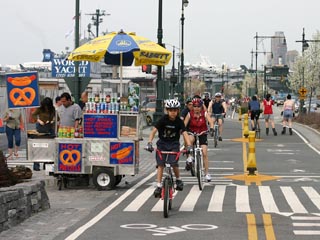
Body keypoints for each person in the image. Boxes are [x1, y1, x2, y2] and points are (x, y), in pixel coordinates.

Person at [146, 99, 192, 198]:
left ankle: (178, 179)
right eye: (171, 110)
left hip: (174, 144)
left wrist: (189, 146)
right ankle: (158, 186)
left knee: (174, 163)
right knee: (160, 165)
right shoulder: (163, 119)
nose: (173, 112)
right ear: (167, 110)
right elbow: (154, 131)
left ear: (178, 111)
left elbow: (184, 133)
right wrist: (149, 143)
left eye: (175, 110)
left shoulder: (179, 121)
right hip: (162, 144)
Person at [184, 98, 214, 181]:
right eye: (194, 106)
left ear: (201, 107)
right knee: (189, 140)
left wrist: (211, 128)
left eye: (198, 106)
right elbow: (184, 125)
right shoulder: (190, 114)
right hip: (192, 132)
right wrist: (182, 130)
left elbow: (211, 122)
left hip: (202, 133)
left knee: (204, 153)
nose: (196, 108)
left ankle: (207, 173)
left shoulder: (204, 113)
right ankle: (189, 157)